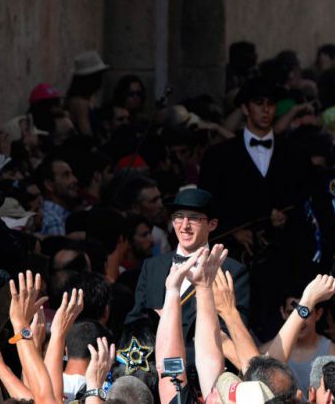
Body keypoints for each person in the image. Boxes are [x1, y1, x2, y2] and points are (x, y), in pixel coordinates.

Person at [199, 77, 316, 340]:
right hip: (235, 261)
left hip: (284, 262)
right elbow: (207, 207)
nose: (266, 110)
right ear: (244, 108)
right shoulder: (219, 156)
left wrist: (286, 219)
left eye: (271, 104)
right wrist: (233, 232)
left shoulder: (295, 154)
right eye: (259, 103)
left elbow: (308, 204)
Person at [126, 188, 250, 361]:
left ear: (212, 224)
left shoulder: (232, 271)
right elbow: (134, 321)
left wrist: (171, 321)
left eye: (193, 218)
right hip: (154, 369)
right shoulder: (152, 266)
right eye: (178, 217)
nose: (184, 226)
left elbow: (234, 331)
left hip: (204, 372)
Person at [36, 157, 79, 236]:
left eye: (72, 174)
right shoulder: (53, 220)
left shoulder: (60, 217)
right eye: (66, 175)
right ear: (49, 185)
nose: (75, 180)